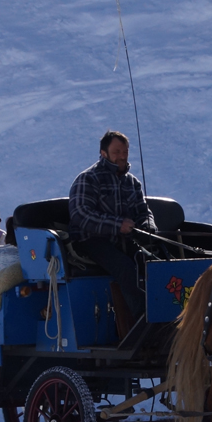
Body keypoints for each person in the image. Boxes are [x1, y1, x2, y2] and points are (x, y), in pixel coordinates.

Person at [68, 130, 157, 321]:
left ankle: (163, 314)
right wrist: (117, 225)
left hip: (122, 240)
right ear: (103, 153)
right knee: (124, 267)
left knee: (153, 262)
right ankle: (143, 320)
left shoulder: (132, 182)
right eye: (116, 151)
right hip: (91, 241)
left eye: (125, 151)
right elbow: (80, 214)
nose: (122, 156)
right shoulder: (88, 178)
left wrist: (148, 226)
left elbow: (143, 211)